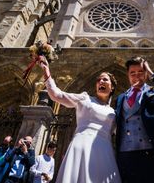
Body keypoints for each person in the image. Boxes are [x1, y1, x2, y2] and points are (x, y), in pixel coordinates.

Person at [39, 55, 121, 183]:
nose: (101, 82)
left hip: (105, 151)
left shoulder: (114, 112)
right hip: (81, 145)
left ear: (112, 87)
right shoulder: (85, 98)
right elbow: (57, 95)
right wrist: (46, 72)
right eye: (99, 80)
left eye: (105, 80)